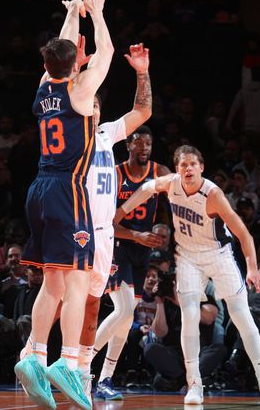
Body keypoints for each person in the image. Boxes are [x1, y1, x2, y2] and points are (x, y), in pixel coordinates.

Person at [114, 145, 260, 404]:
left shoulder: (213, 194)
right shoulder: (171, 184)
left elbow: (244, 234)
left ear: (201, 167)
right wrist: (121, 213)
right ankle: (195, 384)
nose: (188, 168)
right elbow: (147, 188)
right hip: (189, 258)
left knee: (241, 316)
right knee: (189, 313)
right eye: (183, 165)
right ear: (177, 169)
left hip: (219, 256)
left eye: (193, 164)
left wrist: (251, 268)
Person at [15, 0, 113, 410]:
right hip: (68, 191)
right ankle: (69, 364)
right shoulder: (79, 91)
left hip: (38, 188)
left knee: (51, 282)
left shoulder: (43, 86)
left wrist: (74, 12)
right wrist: (100, 13)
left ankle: (35, 354)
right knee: (77, 283)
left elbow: (62, 48)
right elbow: (106, 54)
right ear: (76, 66)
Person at [76, 42, 155, 403]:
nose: (91, 105)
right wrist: (76, 72)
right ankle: (72, 365)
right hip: (83, 230)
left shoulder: (107, 133)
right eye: (86, 99)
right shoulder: (73, 138)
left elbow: (143, 110)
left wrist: (142, 72)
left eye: (96, 101)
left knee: (122, 314)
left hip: (107, 232)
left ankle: (94, 376)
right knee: (102, 307)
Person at [94, 124, 170, 401]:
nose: (143, 149)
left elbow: (180, 187)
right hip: (116, 245)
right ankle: (80, 364)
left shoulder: (158, 171)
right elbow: (105, 220)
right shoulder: (114, 175)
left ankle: (104, 380)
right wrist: (136, 235)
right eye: (138, 144)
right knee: (124, 310)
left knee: (125, 322)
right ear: (127, 146)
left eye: (147, 145)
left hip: (141, 250)